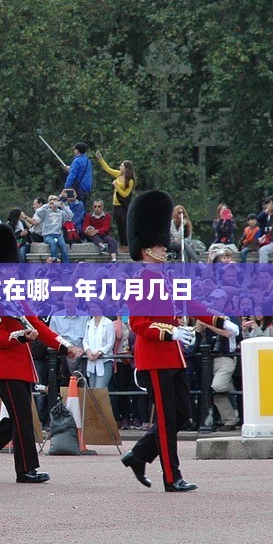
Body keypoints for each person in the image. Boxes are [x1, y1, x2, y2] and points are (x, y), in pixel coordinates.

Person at [119, 189, 225, 492]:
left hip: (173, 355)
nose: (164, 250)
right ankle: (171, 476)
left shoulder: (164, 278)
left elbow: (190, 304)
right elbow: (138, 323)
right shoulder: (140, 279)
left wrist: (220, 320)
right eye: (158, 246)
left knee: (180, 415)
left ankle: (139, 455)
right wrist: (170, 331)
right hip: (154, 357)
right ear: (145, 250)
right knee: (167, 420)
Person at [0, 224, 81, 484]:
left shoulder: (14, 295)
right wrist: (20, 336)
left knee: (18, 419)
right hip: (5, 366)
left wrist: (64, 346)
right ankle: (26, 469)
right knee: (23, 419)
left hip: (20, 366)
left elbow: (38, 325)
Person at [97, 153, 135, 247]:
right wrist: (101, 159)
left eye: (122, 166)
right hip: (116, 204)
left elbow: (125, 194)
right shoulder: (118, 175)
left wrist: (116, 186)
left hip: (123, 205)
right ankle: (122, 244)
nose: (120, 167)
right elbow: (108, 169)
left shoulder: (130, 180)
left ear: (126, 168)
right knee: (119, 225)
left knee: (124, 226)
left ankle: (125, 245)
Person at [31, 193, 70, 263]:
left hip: (58, 235)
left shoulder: (61, 212)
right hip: (48, 235)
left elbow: (70, 216)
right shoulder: (46, 212)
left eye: (56, 201)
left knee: (63, 246)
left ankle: (66, 266)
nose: (54, 203)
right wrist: (47, 205)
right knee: (53, 244)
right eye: (52, 201)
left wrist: (63, 206)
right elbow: (38, 212)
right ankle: (54, 264)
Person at [82, 307, 115, 389]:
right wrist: (88, 351)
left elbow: (110, 343)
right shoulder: (89, 323)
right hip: (91, 361)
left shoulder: (108, 323)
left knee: (100, 388)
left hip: (105, 360)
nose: (93, 309)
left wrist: (100, 352)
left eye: (95, 307)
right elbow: (85, 340)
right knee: (92, 390)